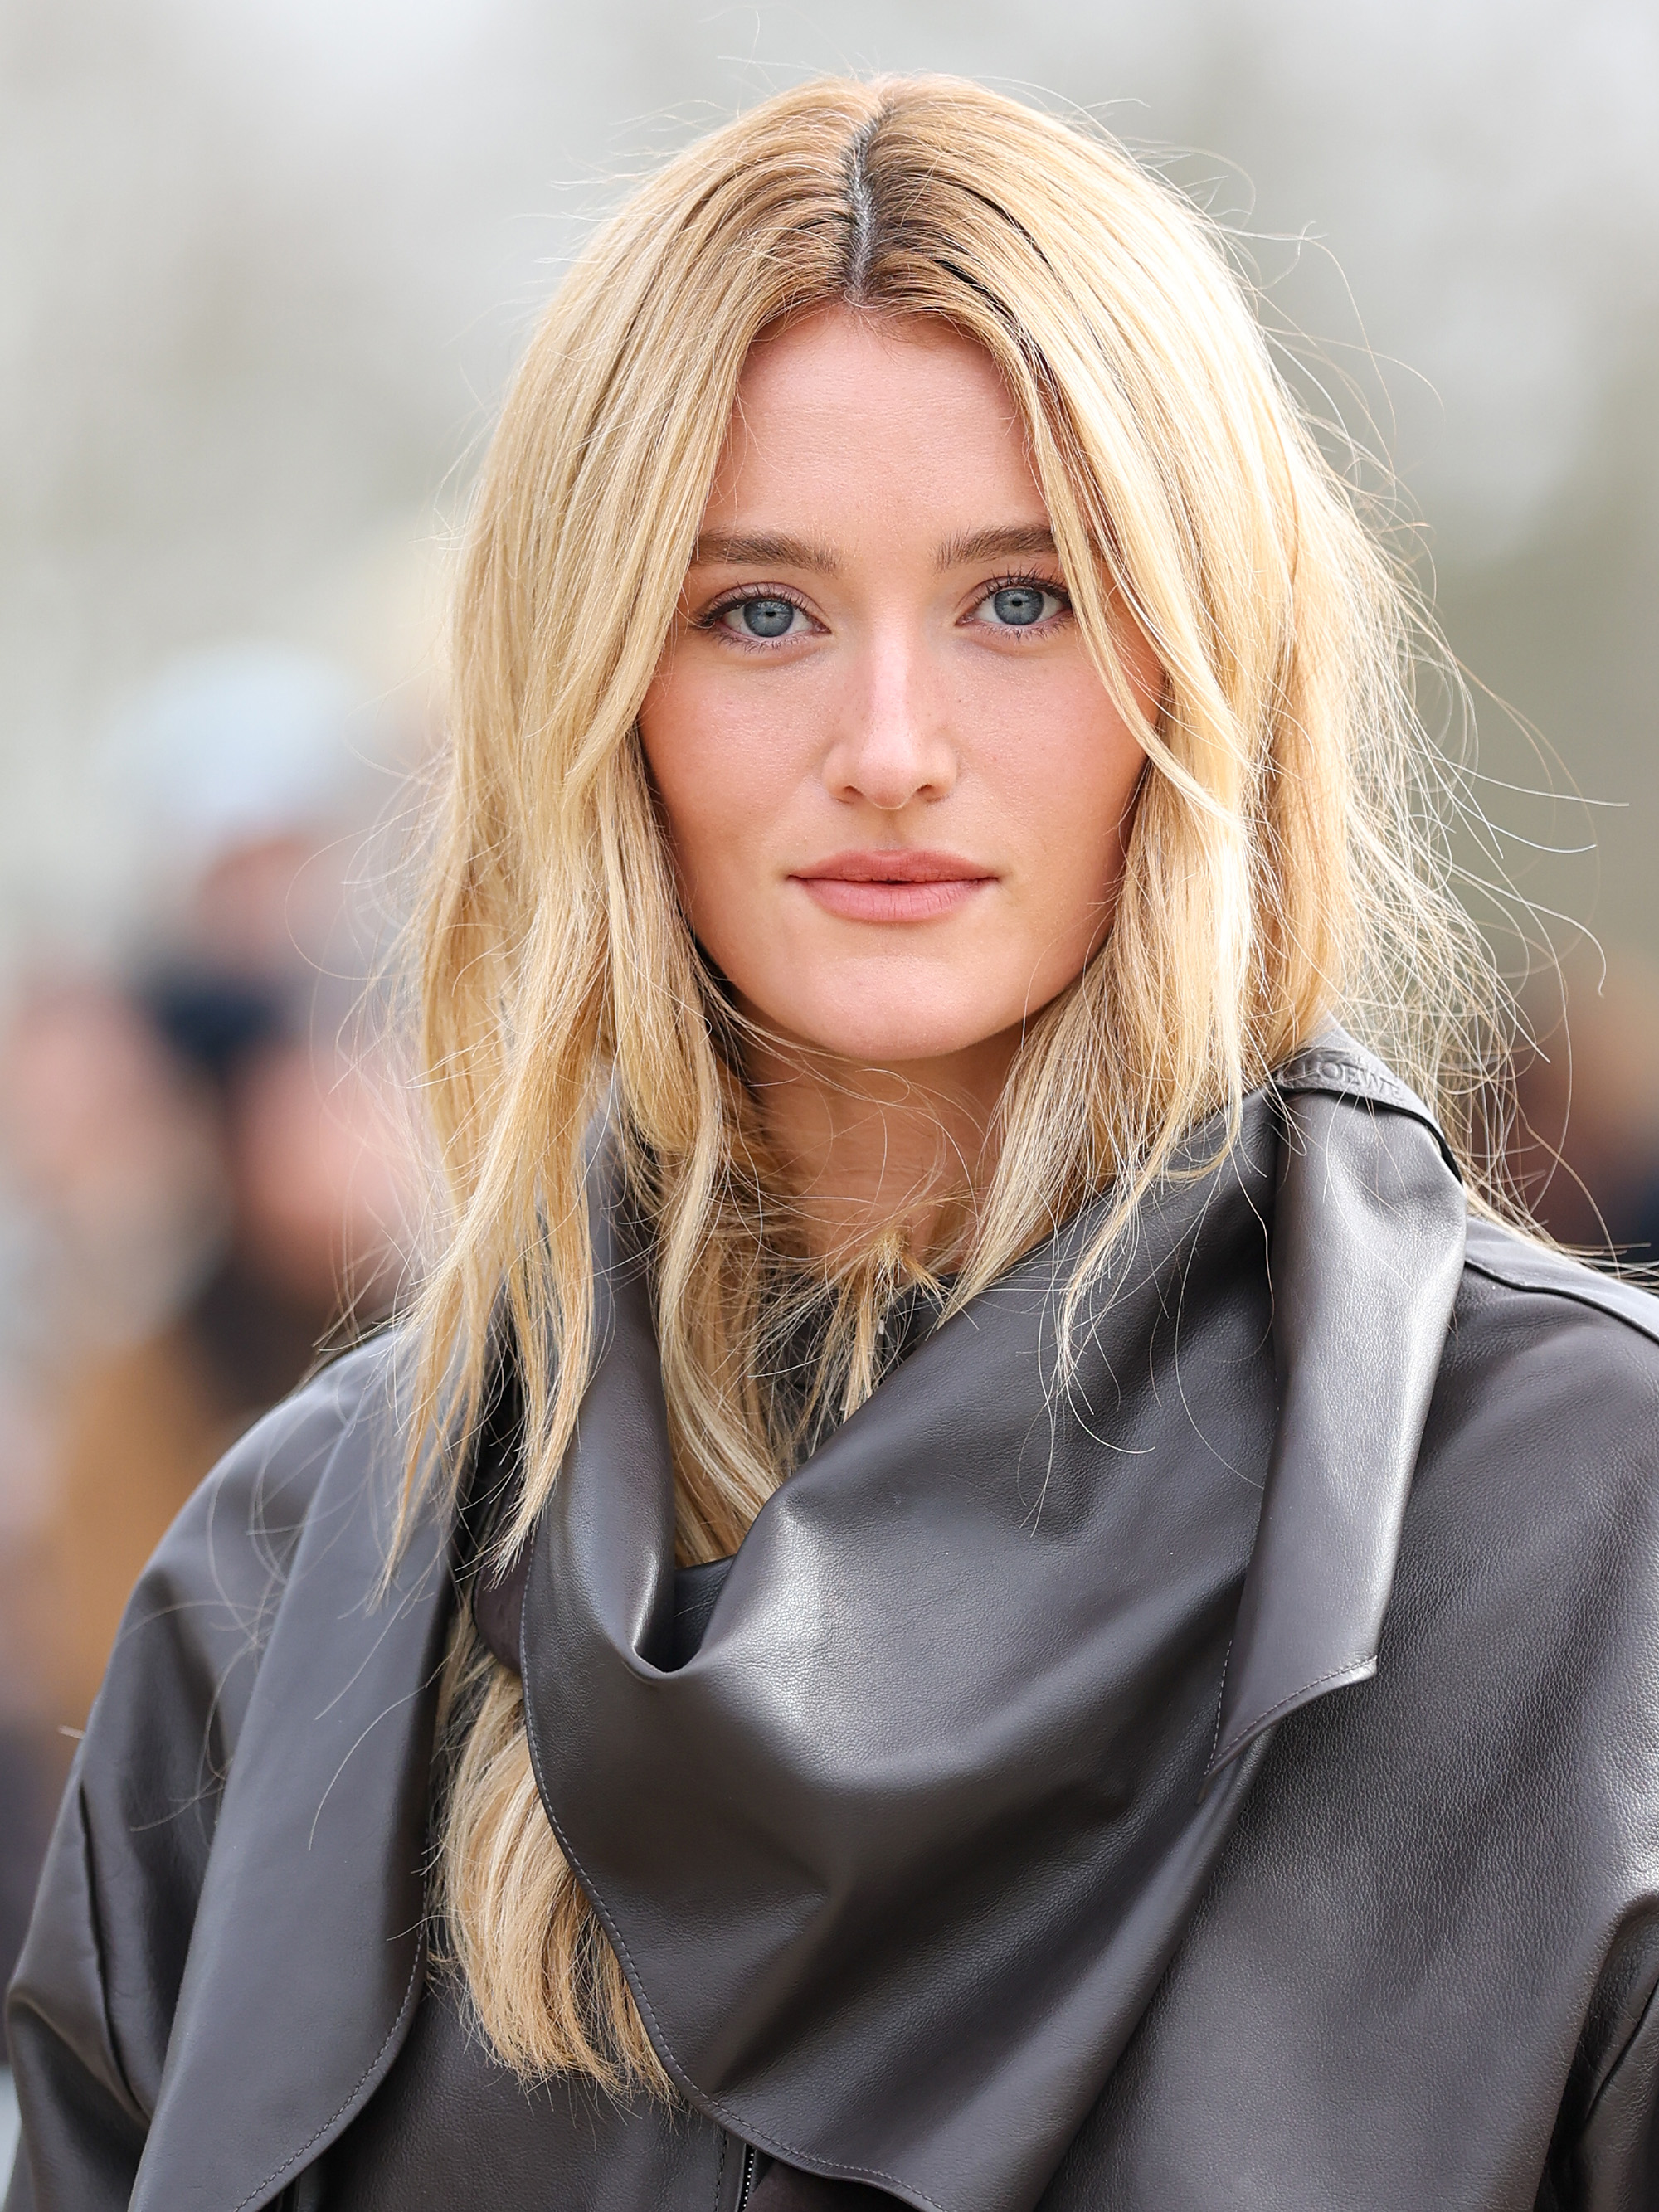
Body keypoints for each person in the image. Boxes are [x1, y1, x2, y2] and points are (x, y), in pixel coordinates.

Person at [7, 75, 1659, 2212]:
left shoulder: (1580, 1525)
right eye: (758, 613)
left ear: (1210, 655)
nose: (891, 748)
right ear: (599, 685)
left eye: (1024, 600)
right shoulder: (296, 1572)